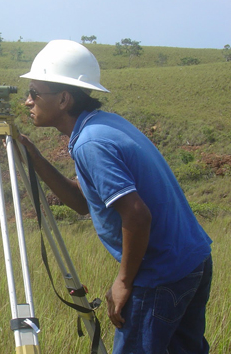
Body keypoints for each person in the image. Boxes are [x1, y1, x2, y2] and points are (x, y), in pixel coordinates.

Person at [17, 40, 213, 353]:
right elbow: (83, 202)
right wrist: (33, 156)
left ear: (64, 98)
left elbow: (137, 215)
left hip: (161, 274)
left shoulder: (90, 143)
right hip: (192, 261)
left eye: (35, 93)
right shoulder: (103, 126)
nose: (27, 102)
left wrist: (122, 282)